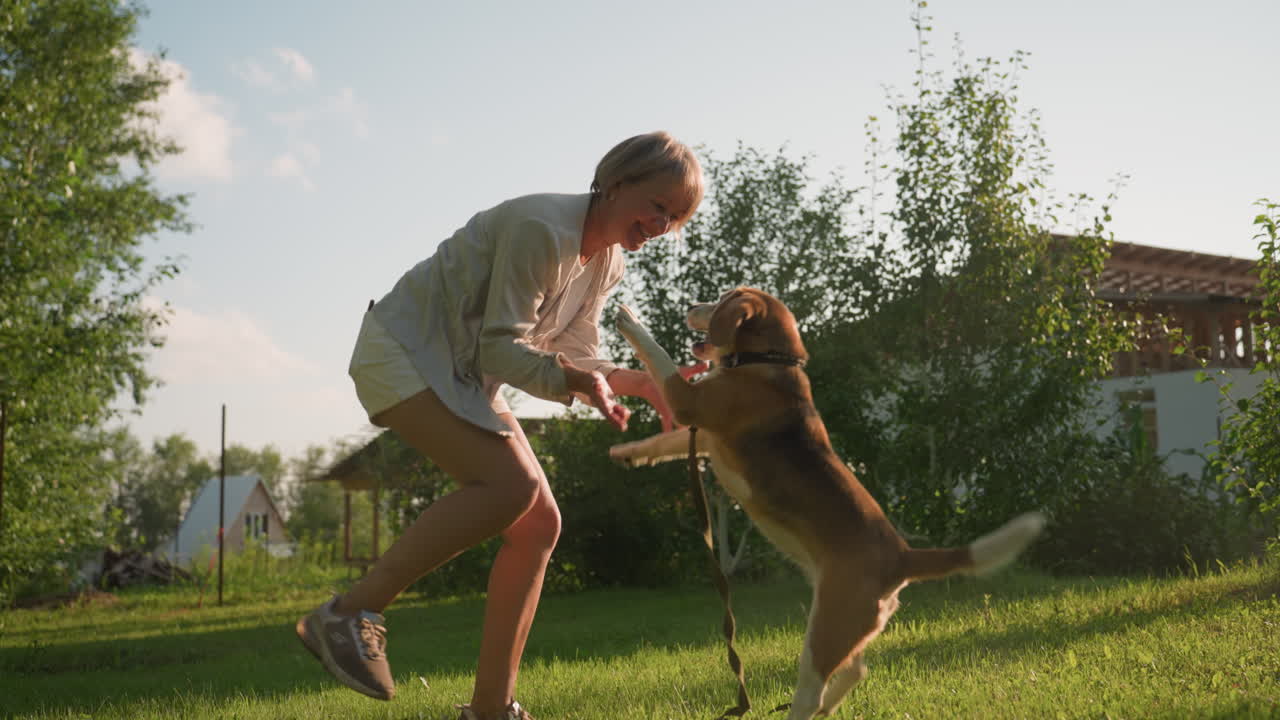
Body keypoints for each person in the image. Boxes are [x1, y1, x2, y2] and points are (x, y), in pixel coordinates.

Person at [295, 131, 705, 720]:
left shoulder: (605, 259)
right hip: (405, 353)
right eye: (657, 205)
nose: (663, 224)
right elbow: (500, 350)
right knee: (510, 490)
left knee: (539, 523)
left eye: (676, 216)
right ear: (616, 182)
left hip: (462, 374)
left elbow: (573, 349)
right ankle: (346, 614)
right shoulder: (543, 228)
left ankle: (492, 709)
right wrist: (572, 383)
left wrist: (633, 381)